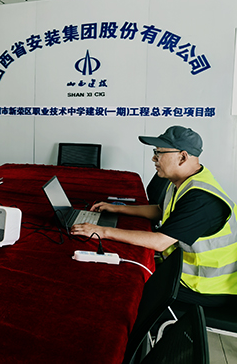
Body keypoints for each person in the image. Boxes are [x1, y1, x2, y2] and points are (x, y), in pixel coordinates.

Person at [71, 125, 237, 306]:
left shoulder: (201, 199)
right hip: (177, 267)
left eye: (159, 153)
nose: (154, 158)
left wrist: (102, 231)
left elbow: (160, 242)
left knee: (121, 287)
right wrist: (116, 208)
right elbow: (161, 210)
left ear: (182, 157)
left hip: (202, 287)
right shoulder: (185, 181)